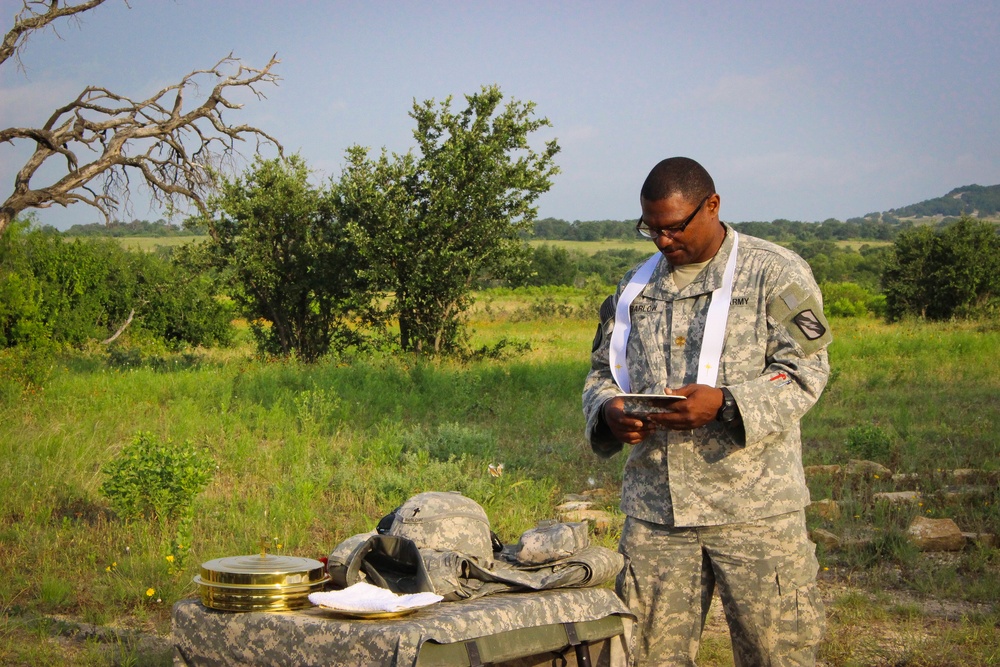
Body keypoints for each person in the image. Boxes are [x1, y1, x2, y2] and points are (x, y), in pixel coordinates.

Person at [583, 157, 831, 666]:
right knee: (642, 657)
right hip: (656, 514)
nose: (662, 241)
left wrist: (725, 402)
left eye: (673, 227)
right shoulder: (635, 287)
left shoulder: (776, 272)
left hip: (754, 512)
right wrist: (609, 409)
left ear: (712, 206)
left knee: (778, 655)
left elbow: (804, 371)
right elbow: (601, 372)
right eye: (650, 229)